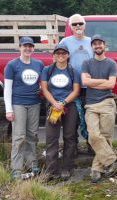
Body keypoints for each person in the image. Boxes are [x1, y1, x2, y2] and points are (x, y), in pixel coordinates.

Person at [81, 34, 117, 183]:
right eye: (95, 44)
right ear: (91, 47)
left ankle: (96, 169)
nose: (97, 46)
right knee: (93, 136)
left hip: (107, 103)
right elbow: (85, 82)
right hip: (91, 105)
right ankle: (112, 160)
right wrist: (102, 81)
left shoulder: (111, 63)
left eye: (100, 44)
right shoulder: (86, 63)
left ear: (104, 45)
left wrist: (94, 82)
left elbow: (111, 85)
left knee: (105, 137)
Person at [4, 36, 44, 180]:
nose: (27, 48)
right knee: (19, 136)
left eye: (30, 46)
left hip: (34, 103)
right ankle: (16, 167)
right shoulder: (12, 65)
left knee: (32, 135)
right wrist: (8, 109)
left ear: (33, 48)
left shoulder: (38, 64)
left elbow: (41, 83)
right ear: (19, 47)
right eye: (24, 46)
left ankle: (32, 162)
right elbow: (7, 88)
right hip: (18, 104)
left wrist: (40, 89)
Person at [40, 44, 80, 181]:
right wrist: (54, 104)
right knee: (51, 138)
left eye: (63, 53)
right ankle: (52, 170)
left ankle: (67, 168)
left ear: (68, 55)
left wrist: (63, 103)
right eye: (58, 53)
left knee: (69, 137)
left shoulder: (73, 71)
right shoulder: (47, 70)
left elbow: (76, 91)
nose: (61, 55)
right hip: (53, 107)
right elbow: (44, 89)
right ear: (54, 55)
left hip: (70, 106)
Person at [59, 13, 93, 153]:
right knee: (71, 121)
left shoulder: (92, 41)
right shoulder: (64, 42)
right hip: (72, 87)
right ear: (70, 27)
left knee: (90, 118)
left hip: (89, 87)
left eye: (80, 23)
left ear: (85, 25)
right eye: (74, 24)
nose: (78, 26)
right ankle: (73, 148)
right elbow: (58, 62)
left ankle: (91, 146)